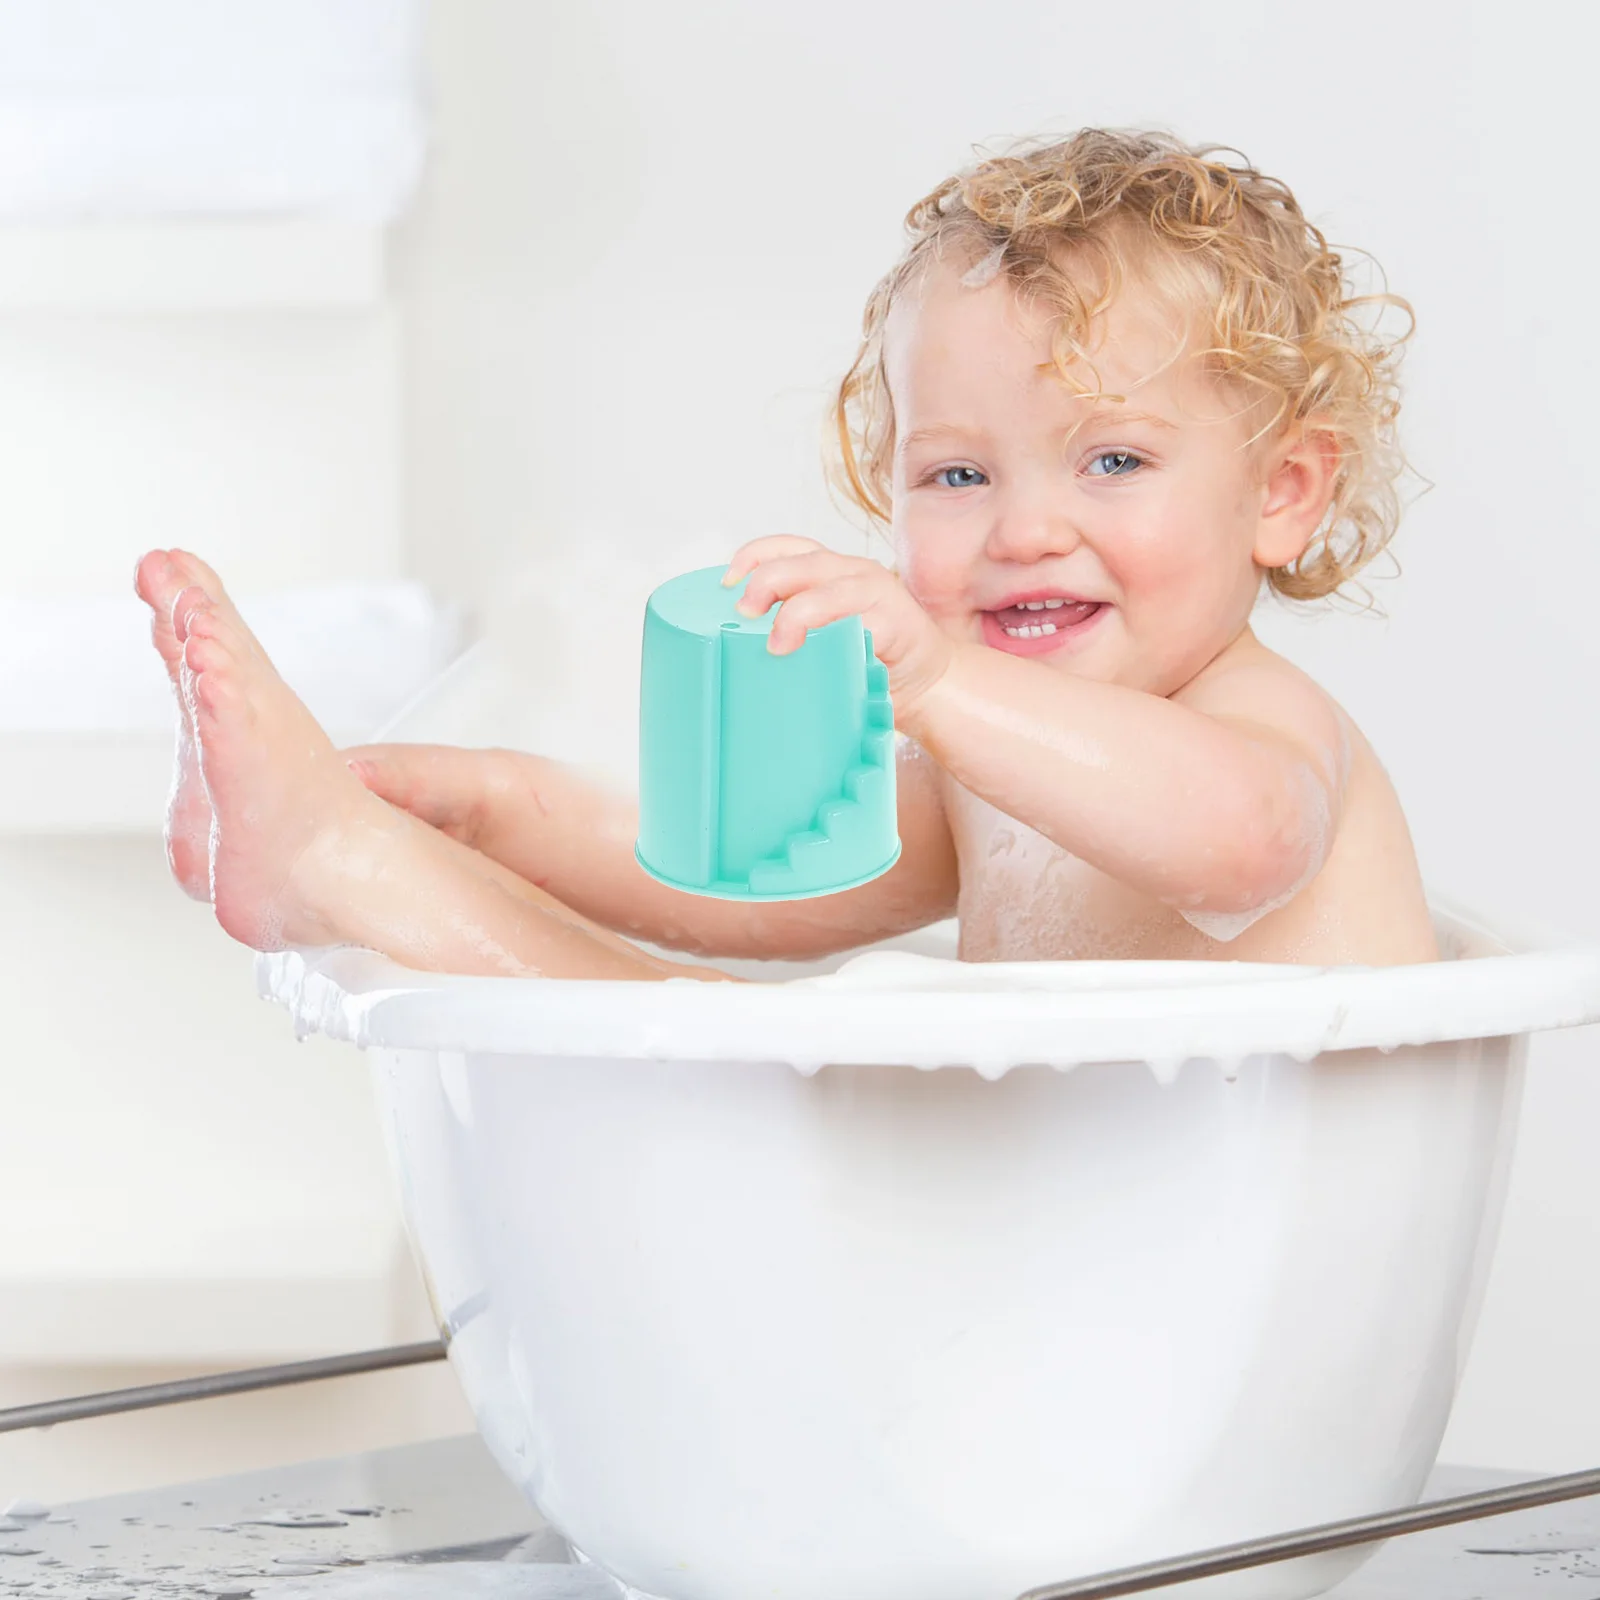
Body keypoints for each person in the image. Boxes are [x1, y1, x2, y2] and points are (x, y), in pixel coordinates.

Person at [134, 127, 1436, 979]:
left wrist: (930, 682)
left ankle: (336, 867)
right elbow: (757, 887)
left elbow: (1239, 846)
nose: (1025, 529)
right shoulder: (986, 772)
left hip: (1225, 1272)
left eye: (1114, 462)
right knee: (692, 1030)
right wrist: (489, 805)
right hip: (1035, 1259)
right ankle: (357, 841)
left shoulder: (1269, 730)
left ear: (1283, 494)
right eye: (958, 475)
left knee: (705, 1057)